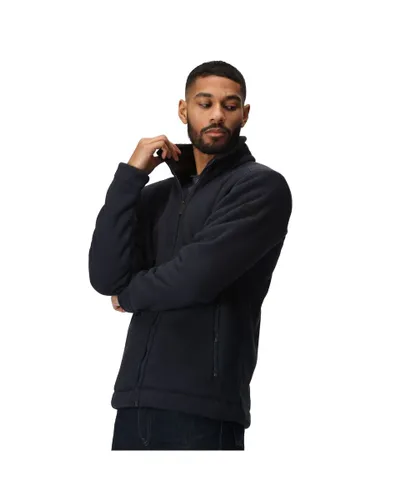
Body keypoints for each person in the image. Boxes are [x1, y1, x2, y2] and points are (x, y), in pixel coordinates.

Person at [88, 60, 293, 450]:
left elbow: (195, 277)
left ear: (245, 114)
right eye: (205, 103)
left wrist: (128, 295)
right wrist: (131, 176)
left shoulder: (260, 187)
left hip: (206, 409)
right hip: (134, 401)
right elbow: (105, 277)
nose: (217, 115)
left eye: (230, 105)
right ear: (184, 110)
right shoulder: (154, 196)